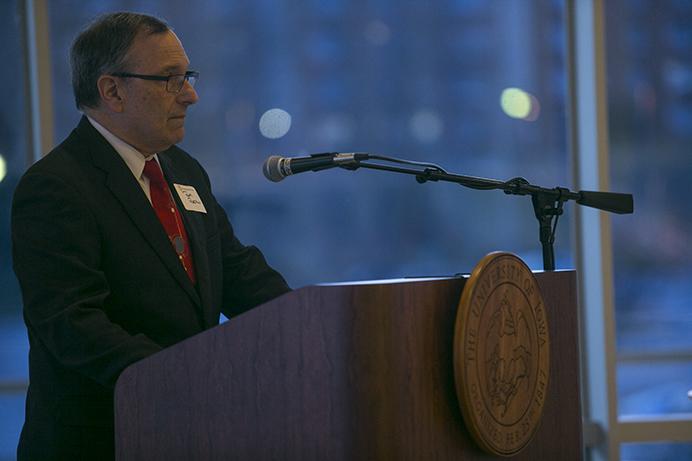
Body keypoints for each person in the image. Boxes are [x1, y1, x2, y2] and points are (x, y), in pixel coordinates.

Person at [11, 12, 290, 460]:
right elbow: (72, 322)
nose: (191, 95)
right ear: (112, 91)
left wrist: (315, 328)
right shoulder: (56, 186)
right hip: (100, 441)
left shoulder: (184, 171)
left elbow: (238, 273)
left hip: (183, 433)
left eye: (188, 77)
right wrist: (186, 377)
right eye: (169, 79)